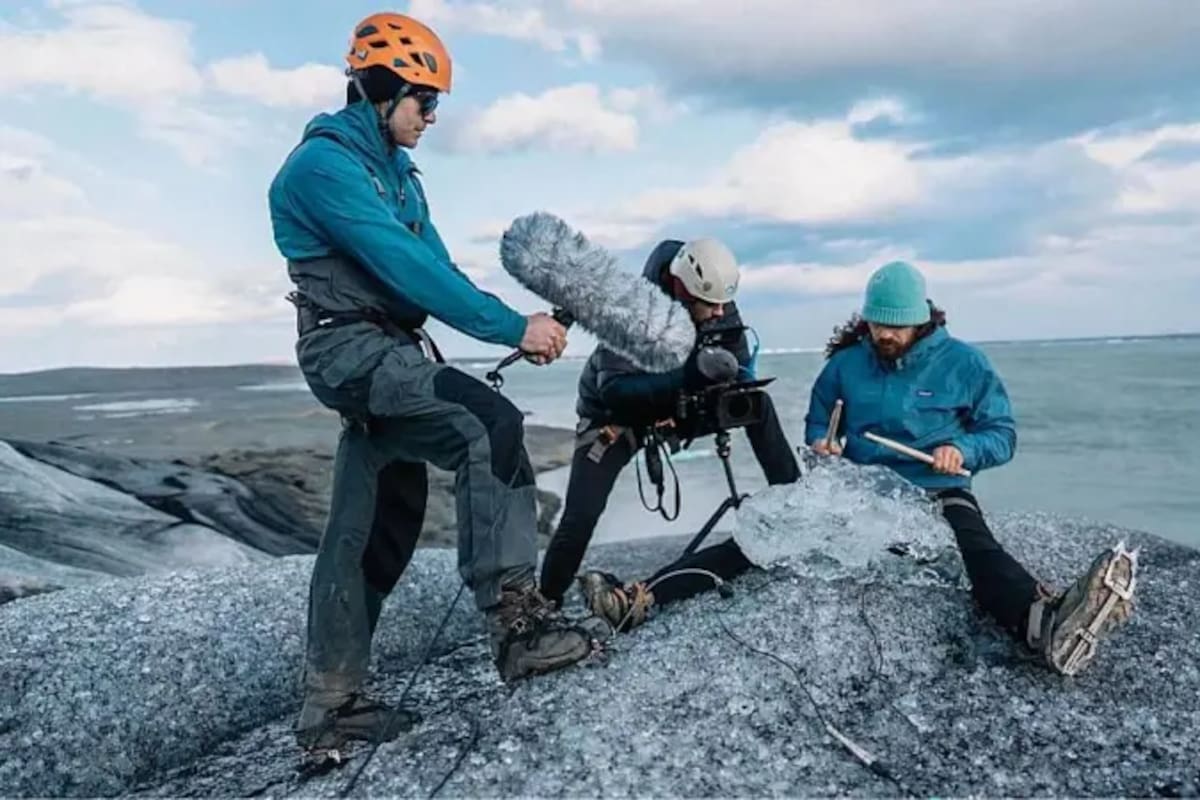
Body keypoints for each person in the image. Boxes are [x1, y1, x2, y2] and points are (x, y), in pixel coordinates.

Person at [267, 12, 596, 755]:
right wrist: (515, 329)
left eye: (436, 103)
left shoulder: (398, 175)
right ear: (380, 89)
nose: (434, 116)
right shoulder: (323, 167)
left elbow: (440, 270)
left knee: (381, 515)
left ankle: (331, 704)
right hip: (350, 352)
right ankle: (517, 630)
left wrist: (516, 320)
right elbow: (405, 268)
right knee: (490, 425)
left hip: (383, 353)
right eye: (424, 100)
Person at [803, 259, 1138, 676]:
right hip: (863, 490)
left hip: (937, 486)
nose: (883, 335)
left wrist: (962, 449)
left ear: (920, 321)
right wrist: (823, 442)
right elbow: (818, 420)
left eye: (895, 327)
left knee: (975, 547)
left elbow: (1002, 435)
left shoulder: (965, 363)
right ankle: (696, 575)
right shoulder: (845, 365)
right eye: (876, 324)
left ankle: (1043, 623)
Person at [543, 237, 802, 630]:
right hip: (615, 417)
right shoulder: (632, 310)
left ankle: (799, 511)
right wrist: (690, 374)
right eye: (710, 305)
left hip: (681, 404)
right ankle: (545, 602)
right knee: (582, 513)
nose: (719, 313)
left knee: (757, 406)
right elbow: (615, 390)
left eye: (723, 304)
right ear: (682, 289)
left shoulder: (717, 298)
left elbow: (740, 362)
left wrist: (726, 378)